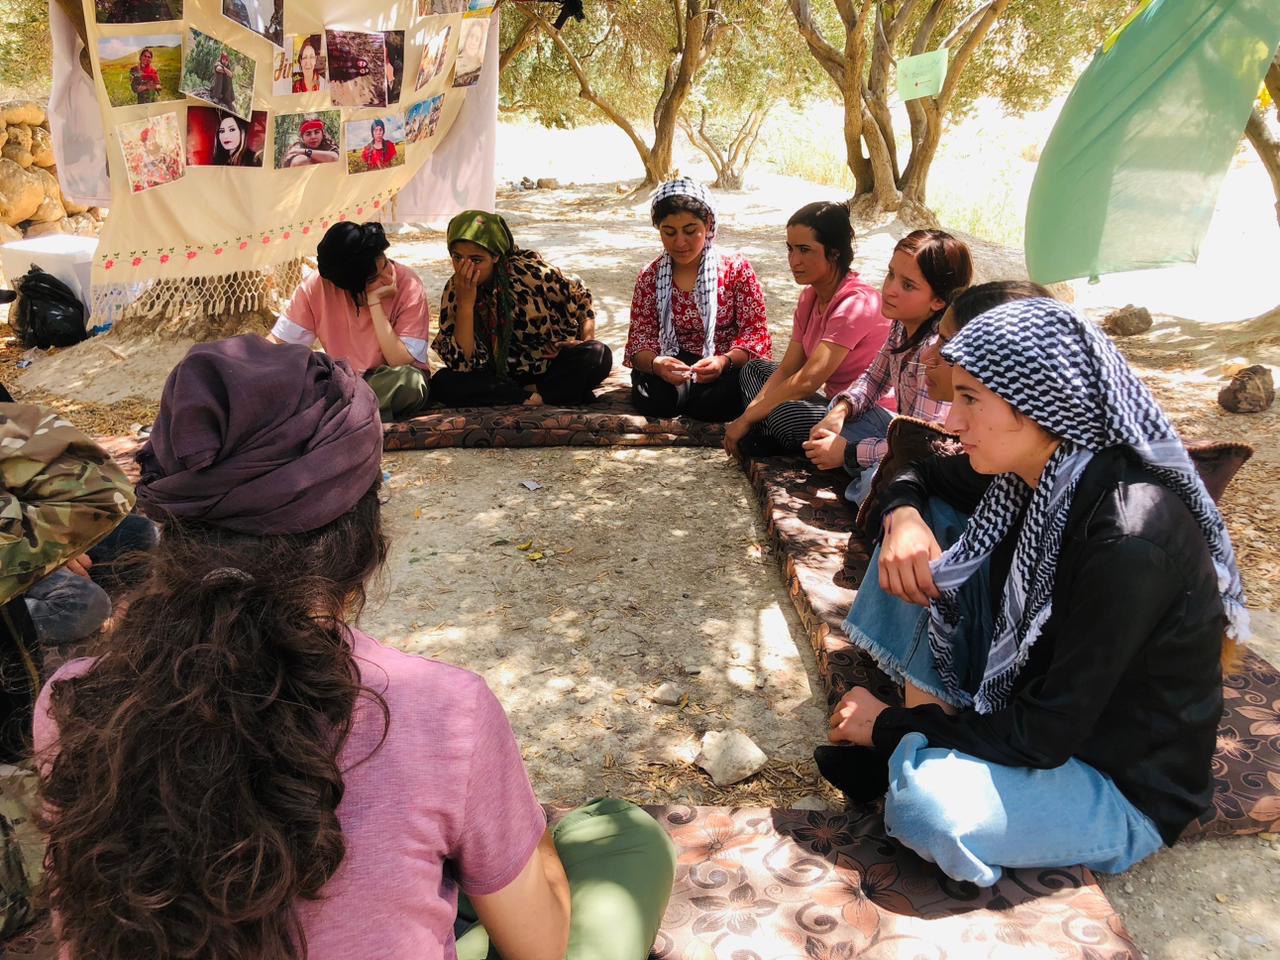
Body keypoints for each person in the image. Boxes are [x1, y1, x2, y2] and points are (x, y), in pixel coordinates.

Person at [33, 336, 677, 960]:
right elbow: (541, 946)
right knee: (626, 835)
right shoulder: (443, 711)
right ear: (364, 533)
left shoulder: (72, 702)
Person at [819, 297, 1245, 888]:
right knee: (922, 535)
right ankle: (924, 746)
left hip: (1113, 778)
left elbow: (1043, 736)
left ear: (1042, 404)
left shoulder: (1127, 540)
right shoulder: (1038, 468)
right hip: (1031, 707)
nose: (952, 422)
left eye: (971, 399)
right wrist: (904, 518)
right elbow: (920, 471)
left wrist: (888, 725)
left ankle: (910, 754)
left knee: (928, 810)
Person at [804, 229, 972, 503]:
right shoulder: (901, 325)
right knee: (833, 413)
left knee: (879, 484)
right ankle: (861, 469)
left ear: (938, 301)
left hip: (929, 452)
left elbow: (921, 442)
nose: (890, 289)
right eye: (891, 274)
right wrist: (841, 410)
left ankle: (866, 478)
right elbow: (874, 378)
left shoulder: (934, 353)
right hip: (901, 432)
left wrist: (849, 452)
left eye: (908, 285)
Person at [723, 201, 887, 456]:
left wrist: (747, 418)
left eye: (805, 250)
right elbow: (788, 368)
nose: (794, 260)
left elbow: (808, 381)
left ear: (834, 253)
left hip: (862, 413)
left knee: (784, 414)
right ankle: (765, 433)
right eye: (790, 249)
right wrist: (751, 414)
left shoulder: (856, 303)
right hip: (831, 403)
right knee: (755, 370)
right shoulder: (810, 297)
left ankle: (769, 433)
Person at [624, 179, 772, 422]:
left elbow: (755, 334)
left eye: (690, 230)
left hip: (724, 363)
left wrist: (723, 362)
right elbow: (640, 339)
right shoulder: (650, 276)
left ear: (708, 224)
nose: (680, 242)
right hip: (671, 362)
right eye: (669, 232)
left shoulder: (736, 270)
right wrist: (657, 364)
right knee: (656, 399)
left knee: (715, 401)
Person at [432, 211, 613, 407]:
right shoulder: (455, 288)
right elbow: (462, 364)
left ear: (496, 256)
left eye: (476, 260)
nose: (464, 267)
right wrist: (465, 303)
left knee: (598, 353)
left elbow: (581, 298)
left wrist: (584, 340)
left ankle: (533, 393)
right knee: (443, 382)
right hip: (495, 376)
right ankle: (535, 396)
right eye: (457, 257)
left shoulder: (529, 274)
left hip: (545, 367)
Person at [270, 221, 432, 421]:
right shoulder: (318, 286)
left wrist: (374, 302)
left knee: (411, 383)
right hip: (342, 380)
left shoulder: (408, 284)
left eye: (385, 263)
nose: (388, 277)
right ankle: (347, 411)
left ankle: (333, 412)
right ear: (348, 286)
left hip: (387, 379)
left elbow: (399, 361)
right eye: (372, 279)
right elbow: (280, 344)